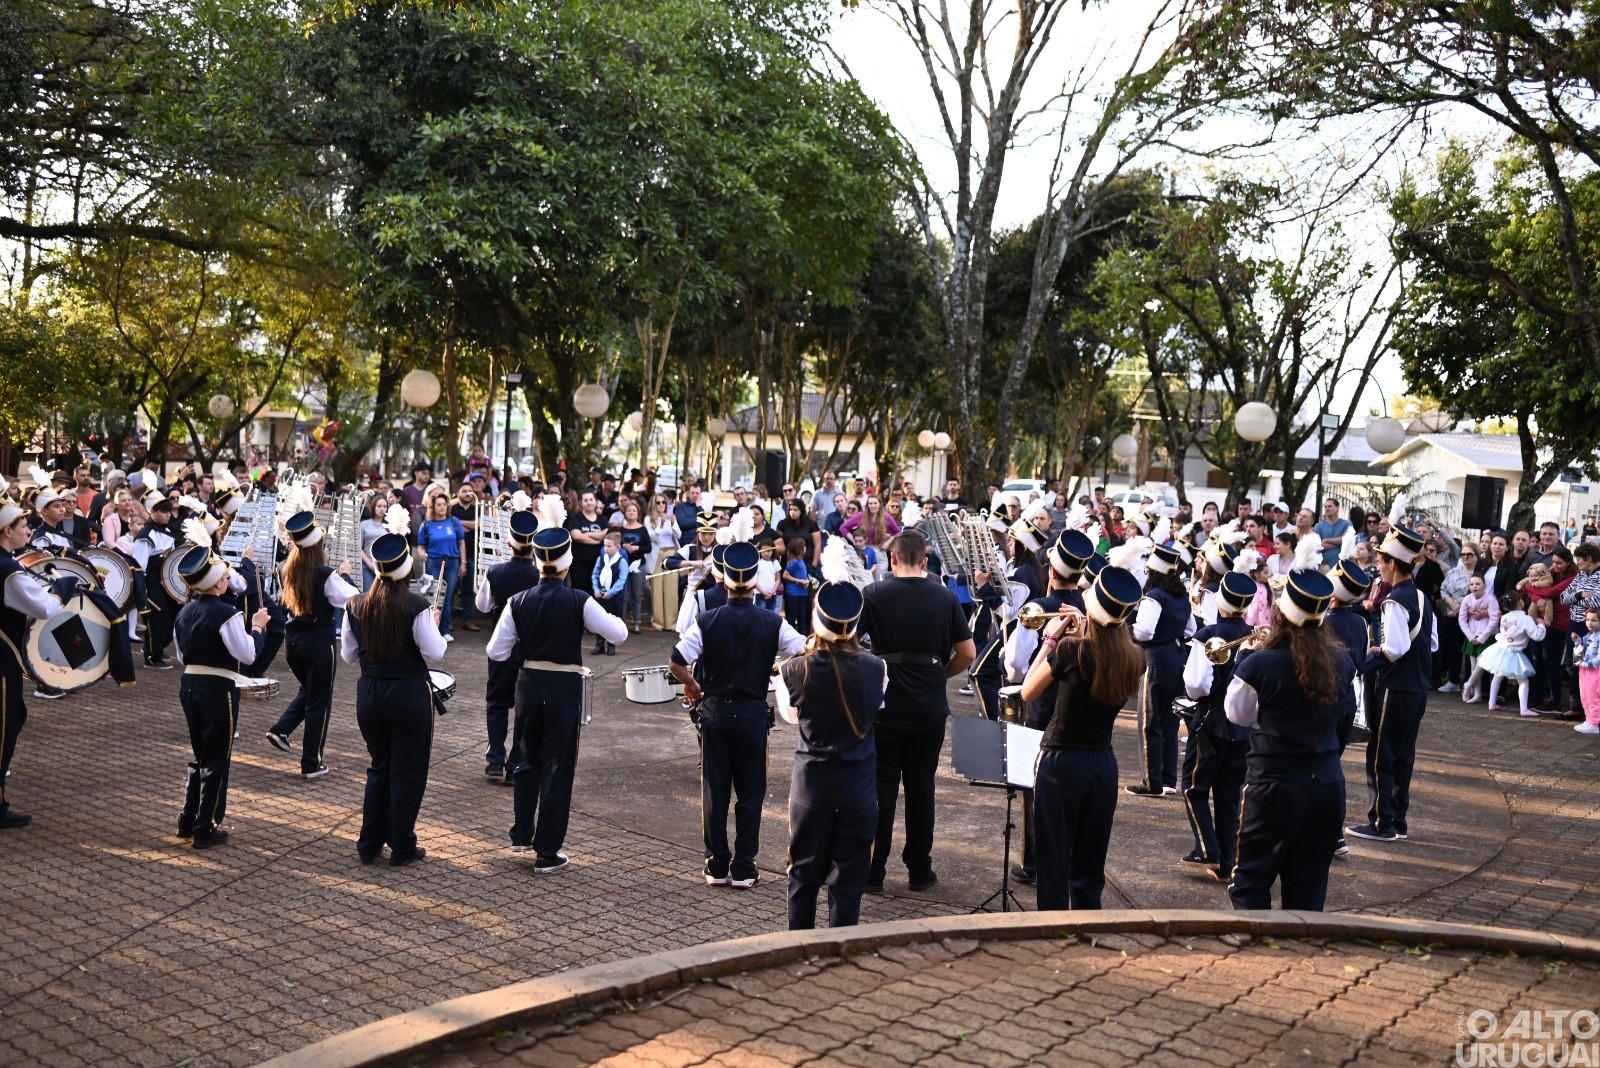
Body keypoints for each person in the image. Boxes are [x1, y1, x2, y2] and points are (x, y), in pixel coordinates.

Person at [487, 502, 628, 871]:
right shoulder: (579, 600)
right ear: (565, 564)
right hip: (565, 691)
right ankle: (547, 852)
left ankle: (521, 835)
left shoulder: (518, 601)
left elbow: (495, 651)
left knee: (526, 762)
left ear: (538, 562)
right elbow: (621, 633)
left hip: (529, 687)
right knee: (557, 768)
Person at [669, 542, 807, 888]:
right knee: (750, 793)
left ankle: (716, 865)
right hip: (751, 715)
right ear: (753, 581)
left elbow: (676, 661)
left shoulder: (706, 620)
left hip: (714, 713)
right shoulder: (773, 622)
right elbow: (805, 652)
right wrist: (779, 669)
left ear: (726, 580)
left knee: (714, 791)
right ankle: (744, 866)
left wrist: (692, 686)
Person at [1225, 569, 1353, 910]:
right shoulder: (1342, 661)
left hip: (1274, 785)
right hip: (1327, 784)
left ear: (1280, 615)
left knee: (1250, 884)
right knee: (1308, 892)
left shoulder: (1259, 664)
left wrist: (1247, 658)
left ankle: (1255, 962)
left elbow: (1238, 715)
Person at [1018, 565, 1143, 909]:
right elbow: (1106, 651)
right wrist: (1087, 629)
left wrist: (1052, 638)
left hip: (1061, 762)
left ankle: (1053, 931)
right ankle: (1089, 926)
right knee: (1090, 863)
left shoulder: (1070, 651)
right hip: (1103, 765)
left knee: (1054, 860)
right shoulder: (1135, 658)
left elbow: (1028, 691)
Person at [858, 530, 976, 893]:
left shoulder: (873, 593)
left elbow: (849, 642)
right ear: (924, 561)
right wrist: (938, 675)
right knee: (922, 789)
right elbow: (968, 654)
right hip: (928, 706)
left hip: (885, 705)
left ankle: (873, 872)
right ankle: (919, 872)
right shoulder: (944, 596)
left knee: (881, 789)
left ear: (892, 560)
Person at [775, 561, 886, 929]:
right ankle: (839, 956)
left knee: (803, 877)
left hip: (812, 787)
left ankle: (798, 949)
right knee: (849, 883)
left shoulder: (792, 669)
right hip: (858, 789)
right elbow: (876, 709)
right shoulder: (877, 668)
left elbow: (792, 718)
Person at [342, 520, 448, 866]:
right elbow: (436, 653)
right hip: (407, 693)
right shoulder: (416, 605)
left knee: (379, 767)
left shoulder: (355, 604)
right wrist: (431, 621)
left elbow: (347, 656)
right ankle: (402, 845)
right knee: (408, 771)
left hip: (369, 692)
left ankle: (368, 843)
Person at [1002, 530, 1094, 884]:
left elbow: (1014, 664)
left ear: (1051, 572)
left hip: (1042, 704)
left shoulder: (1038, 609)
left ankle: (1034, 862)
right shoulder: (1092, 609)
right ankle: (1068, 858)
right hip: (1082, 706)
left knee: (1035, 782)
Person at [171, 545, 270, 848]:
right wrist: (256, 627)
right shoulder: (227, 613)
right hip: (217, 690)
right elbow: (248, 654)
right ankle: (205, 824)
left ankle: (188, 818)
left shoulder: (185, 611)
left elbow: (180, 655)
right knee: (216, 757)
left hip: (189, 686)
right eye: (225, 576)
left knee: (201, 754)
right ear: (217, 583)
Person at [1347, 515, 1437, 844]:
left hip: (1395, 688)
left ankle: (1381, 823)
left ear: (1393, 564)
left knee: (1380, 755)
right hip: (1417, 688)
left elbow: (1396, 649)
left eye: (1381, 560)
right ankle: (1398, 819)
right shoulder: (1423, 598)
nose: (1379, 565)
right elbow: (1432, 643)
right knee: (1403, 755)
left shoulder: (1394, 600)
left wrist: (1366, 660)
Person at [263, 510, 359, 778]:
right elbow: (352, 599)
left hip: (293, 641)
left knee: (310, 691)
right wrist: (345, 575)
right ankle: (311, 763)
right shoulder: (325, 573)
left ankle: (281, 729)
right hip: (318, 644)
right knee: (319, 701)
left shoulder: (287, 567)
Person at [1179, 572, 1259, 880]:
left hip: (1211, 723)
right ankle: (1227, 863)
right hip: (1243, 726)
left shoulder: (1208, 633)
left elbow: (1196, 686)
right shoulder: (1253, 634)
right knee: (1228, 795)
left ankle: (1207, 849)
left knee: (1193, 787)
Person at [0, 496, 65, 828]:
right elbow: (43, 608)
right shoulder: (8, 569)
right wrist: (61, 591)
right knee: (5, 724)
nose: (28, 530)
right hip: (1, 659)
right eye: (23, 525)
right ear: (7, 530)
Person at [1127, 543, 1195, 797]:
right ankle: (1168, 779)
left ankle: (1152, 782)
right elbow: (1189, 630)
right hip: (1178, 660)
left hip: (1156, 660)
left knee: (1150, 722)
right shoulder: (1181, 596)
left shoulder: (1154, 595)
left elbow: (1144, 631)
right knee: (1169, 722)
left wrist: (1127, 632)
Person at [1479, 590, 1544, 716]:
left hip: (1500, 650)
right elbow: (1536, 636)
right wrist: (1541, 626)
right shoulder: (1526, 619)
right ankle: (1523, 709)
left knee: (1497, 676)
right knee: (1523, 681)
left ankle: (1492, 703)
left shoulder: (1505, 617)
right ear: (1521, 602)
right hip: (1514, 653)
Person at [416, 494, 466, 642]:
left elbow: (461, 543)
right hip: (434, 563)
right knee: (434, 597)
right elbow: (420, 547)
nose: (442, 507)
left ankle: (445, 630)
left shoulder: (454, 522)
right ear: (433, 507)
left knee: (448, 597)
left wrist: (463, 563)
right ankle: (432, 631)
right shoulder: (426, 525)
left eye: (444, 504)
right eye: (439, 504)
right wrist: (421, 554)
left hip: (452, 563)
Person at [448, 484, 481, 633]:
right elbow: (452, 526)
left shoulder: (477, 509)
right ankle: (447, 621)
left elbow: (479, 525)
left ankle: (467, 620)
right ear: (458, 493)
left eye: (470, 491)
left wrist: (459, 524)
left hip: (472, 554)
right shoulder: (452, 509)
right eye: (464, 490)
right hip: (455, 555)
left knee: (469, 589)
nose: (467, 493)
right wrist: (470, 526)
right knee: (452, 588)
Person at [589, 531, 628, 654]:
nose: (606, 548)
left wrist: (610, 592)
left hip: (614, 597)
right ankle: (599, 645)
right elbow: (595, 575)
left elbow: (621, 580)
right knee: (599, 619)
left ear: (618, 547)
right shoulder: (600, 559)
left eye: (609, 546)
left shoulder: (622, 562)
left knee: (612, 621)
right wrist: (595, 589)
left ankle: (611, 645)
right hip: (600, 595)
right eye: (604, 545)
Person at [564, 492, 606, 595]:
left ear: (595, 502)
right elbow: (576, 536)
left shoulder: (602, 518)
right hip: (579, 563)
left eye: (591, 499)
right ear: (581, 503)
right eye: (586, 500)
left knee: (596, 592)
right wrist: (598, 539)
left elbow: (606, 535)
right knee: (580, 593)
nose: (589, 502)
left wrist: (586, 534)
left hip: (598, 562)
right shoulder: (576, 517)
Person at [1575, 607, 1600, 735]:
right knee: (1584, 696)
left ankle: (1594, 723)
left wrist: (1589, 663)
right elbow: (1582, 649)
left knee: (1593, 696)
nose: (1590, 623)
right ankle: (1588, 719)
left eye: (1594, 620)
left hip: (1594, 670)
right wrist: (1577, 642)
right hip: (1584, 669)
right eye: (1588, 620)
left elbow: (1599, 657)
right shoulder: (1588, 635)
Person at [782, 537, 811, 632]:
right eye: (804, 546)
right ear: (799, 549)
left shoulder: (800, 560)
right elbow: (785, 575)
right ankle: (791, 633)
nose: (805, 548)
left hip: (802, 592)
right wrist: (799, 581)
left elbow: (802, 574)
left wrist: (806, 580)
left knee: (801, 614)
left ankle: (801, 634)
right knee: (793, 615)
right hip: (793, 593)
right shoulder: (793, 562)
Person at [1314, 498, 1352, 569]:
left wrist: (1325, 540)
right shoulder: (1318, 526)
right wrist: (1339, 544)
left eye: (1330, 506)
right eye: (1325, 507)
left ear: (1337, 508)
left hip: (1342, 566)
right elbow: (1317, 546)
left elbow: (1347, 540)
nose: (1327, 508)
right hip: (1323, 566)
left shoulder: (1347, 524)